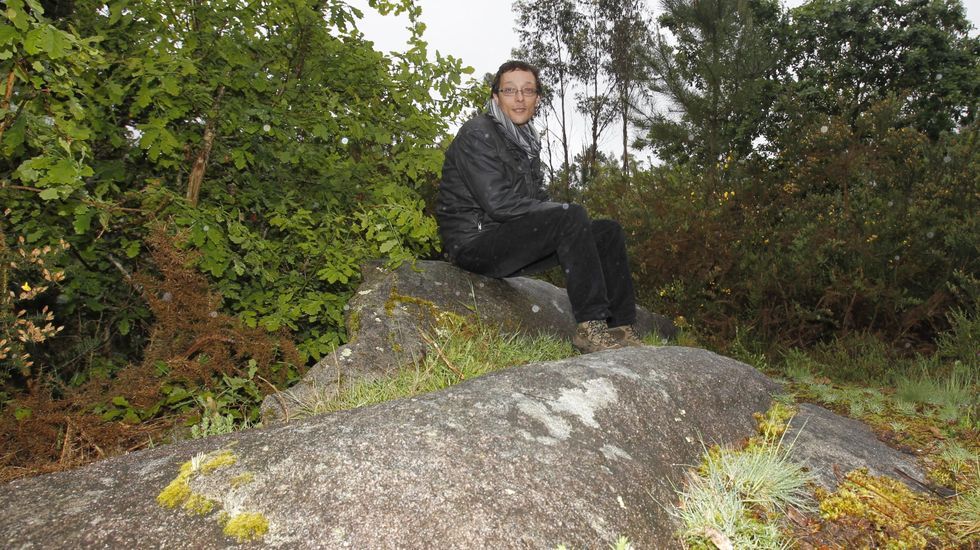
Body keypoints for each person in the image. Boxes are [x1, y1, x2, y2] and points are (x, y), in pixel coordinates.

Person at [436, 60, 641, 353]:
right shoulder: (477, 132)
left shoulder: (525, 140)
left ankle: (621, 327)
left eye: (527, 91)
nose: (519, 98)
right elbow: (499, 203)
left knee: (606, 231)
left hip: (508, 239)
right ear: (496, 97)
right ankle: (590, 328)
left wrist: (571, 221)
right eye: (510, 90)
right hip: (475, 244)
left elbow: (537, 201)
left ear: (537, 98)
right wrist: (568, 215)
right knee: (572, 216)